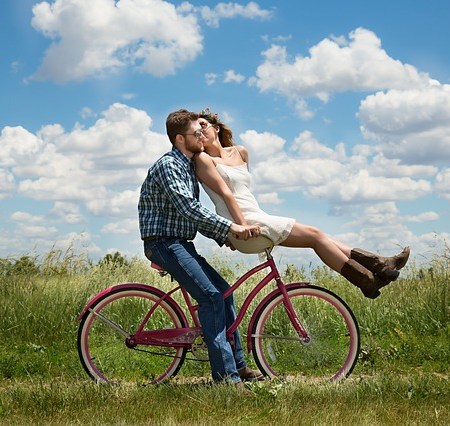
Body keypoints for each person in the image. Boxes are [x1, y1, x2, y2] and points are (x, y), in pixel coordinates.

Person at [194, 108, 410, 299]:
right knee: (316, 236)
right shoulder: (204, 160)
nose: (200, 132)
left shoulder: (240, 152)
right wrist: (237, 228)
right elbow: (226, 195)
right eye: (195, 131)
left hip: (255, 216)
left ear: (216, 127)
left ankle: (376, 267)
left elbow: (244, 193)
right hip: (244, 224)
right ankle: (369, 276)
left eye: (203, 125)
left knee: (319, 236)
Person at [138, 109, 263, 386]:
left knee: (225, 294)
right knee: (211, 298)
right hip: (164, 243)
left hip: (180, 242)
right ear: (181, 138)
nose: (202, 137)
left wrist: (224, 237)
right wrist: (231, 228)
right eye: (197, 133)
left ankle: (238, 366)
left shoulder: (187, 165)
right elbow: (189, 208)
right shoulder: (170, 165)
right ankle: (226, 378)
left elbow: (191, 215)